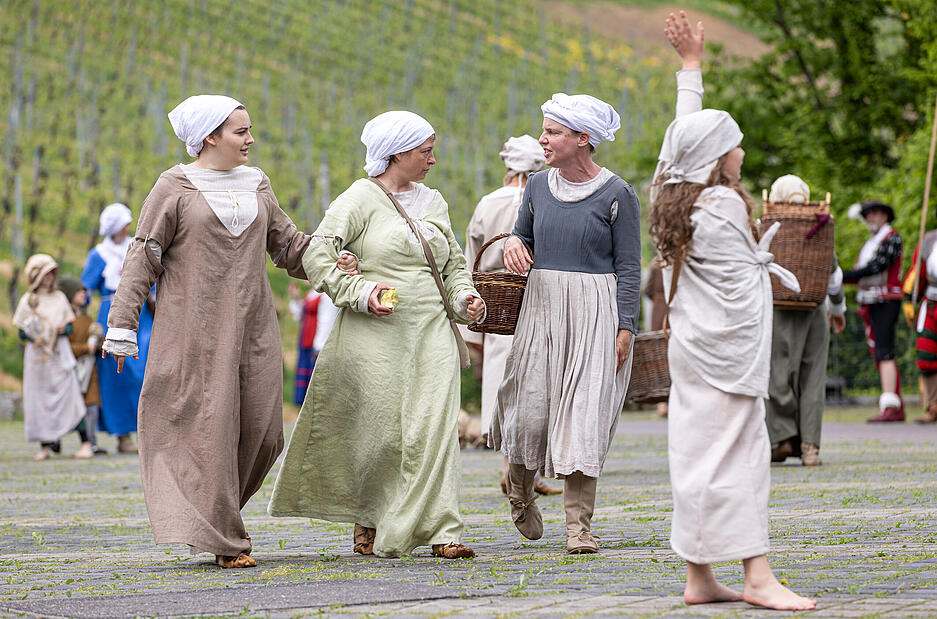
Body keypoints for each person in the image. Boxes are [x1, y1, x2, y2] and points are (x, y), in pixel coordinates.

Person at [101, 94, 328, 569]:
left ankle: (207, 513)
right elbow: (143, 255)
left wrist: (334, 262)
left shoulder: (258, 184)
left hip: (254, 328)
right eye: (240, 132)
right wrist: (121, 325)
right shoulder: (174, 187)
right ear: (210, 138)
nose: (251, 139)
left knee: (265, 434)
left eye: (248, 130)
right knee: (210, 431)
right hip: (194, 329)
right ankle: (226, 539)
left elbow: (288, 246)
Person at [648, 12, 815, 610]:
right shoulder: (719, 204)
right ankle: (758, 575)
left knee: (692, 452)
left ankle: (698, 577)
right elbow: (747, 279)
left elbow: (681, 137)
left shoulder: (671, 196)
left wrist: (691, 69)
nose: (741, 150)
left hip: (691, 350)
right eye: (734, 143)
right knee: (743, 456)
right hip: (727, 357)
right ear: (718, 157)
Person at [268, 110, 486, 560]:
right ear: (398, 153)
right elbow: (318, 257)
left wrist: (467, 300)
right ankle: (368, 514)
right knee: (381, 434)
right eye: (425, 151)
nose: (432, 159)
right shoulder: (358, 199)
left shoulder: (435, 201)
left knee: (435, 429)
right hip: (376, 336)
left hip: (431, 331)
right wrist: (359, 291)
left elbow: (453, 266)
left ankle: (443, 529)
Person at [490, 89, 641, 553]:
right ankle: (519, 491)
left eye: (552, 132)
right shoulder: (535, 187)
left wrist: (626, 326)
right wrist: (513, 245)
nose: (543, 139)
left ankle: (578, 527)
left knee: (583, 418)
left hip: (596, 312)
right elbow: (521, 237)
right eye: (544, 131)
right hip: (542, 309)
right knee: (530, 411)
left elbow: (629, 266)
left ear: (583, 138)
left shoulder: (618, 193)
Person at [462, 135, 559, 496]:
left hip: (497, 307)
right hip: (538, 302)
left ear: (508, 167)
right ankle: (528, 473)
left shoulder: (487, 204)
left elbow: (472, 257)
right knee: (536, 387)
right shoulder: (547, 200)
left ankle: (511, 468)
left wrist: (472, 330)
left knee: (503, 385)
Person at [766, 175, 846, 466]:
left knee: (777, 373)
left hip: (777, 308)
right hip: (814, 310)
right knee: (812, 378)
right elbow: (834, 277)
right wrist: (837, 311)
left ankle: (783, 438)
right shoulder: (818, 224)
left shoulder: (770, 225)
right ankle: (810, 447)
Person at [81, 202, 150, 454]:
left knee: (144, 370)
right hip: (110, 316)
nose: (128, 226)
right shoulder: (98, 255)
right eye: (124, 223)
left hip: (143, 315)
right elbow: (85, 290)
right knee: (116, 376)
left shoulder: (137, 247)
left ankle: (149, 431)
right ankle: (122, 435)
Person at [13, 255, 91, 461]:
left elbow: (69, 325)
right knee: (40, 400)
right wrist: (33, 331)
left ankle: (85, 442)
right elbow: (21, 331)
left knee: (70, 395)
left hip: (59, 354)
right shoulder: (29, 300)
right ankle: (45, 445)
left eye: (51, 274)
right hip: (38, 357)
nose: (48, 278)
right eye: (44, 274)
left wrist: (62, 329)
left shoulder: (59, 298)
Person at [843, 200, 904, 422]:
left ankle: (892, 406)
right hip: (871, 300)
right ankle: (893, 402)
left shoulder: (892, 238)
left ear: (885, 216)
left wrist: (845, 276)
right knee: (878, 350)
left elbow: (877, 267)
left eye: (875, 214)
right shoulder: (873, 241)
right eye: (868, 214)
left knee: (884, 351)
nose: (871, 218)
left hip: (885, 300)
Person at [60, 275, 106, 456]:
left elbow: (94, 341)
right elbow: (66, 347)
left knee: (92, 406)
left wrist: (99, 340)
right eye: (80, 291)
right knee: (69, 407)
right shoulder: (66, 320)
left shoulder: (87, 319)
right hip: (71, 370)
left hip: (90, 370)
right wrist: (85, 348)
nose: (84, 294)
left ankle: (91, 442)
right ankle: (55, 439)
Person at [901, 225, 937, 423]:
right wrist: (908, 299)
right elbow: (917, 273)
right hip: (932, 306)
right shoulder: (930, 240)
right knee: (927, 356)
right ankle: (933, 405)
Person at [287, 282, 339, 405]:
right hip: (306, 338)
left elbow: (326, 321)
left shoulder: (326, 295)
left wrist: (319, 345)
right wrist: (295, 298)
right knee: (304, 374)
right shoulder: (311, 293)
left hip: (316, 341)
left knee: (315, 381)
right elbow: (300, 316)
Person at [643, 257, 669, 417]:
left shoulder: (655, 264)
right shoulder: (675, 262)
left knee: (659, 357)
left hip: (658, 312)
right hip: (672, 309)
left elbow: (647, 289)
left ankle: (662, 403)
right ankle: (668, 400)